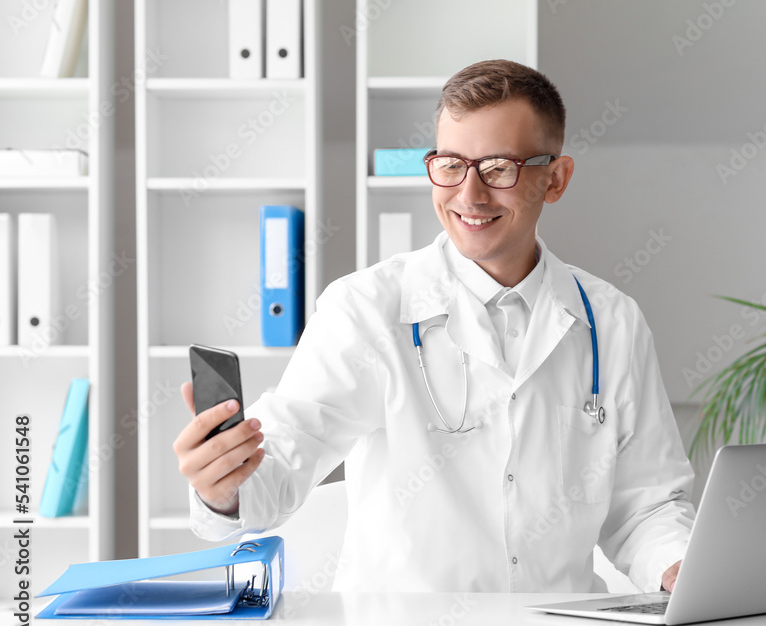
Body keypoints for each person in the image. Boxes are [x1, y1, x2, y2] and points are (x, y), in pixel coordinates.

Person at [174, 59, 695, 593]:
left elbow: (647, 506)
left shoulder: (611, 321)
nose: (469, 195)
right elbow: (286, 449)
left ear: (555, 179)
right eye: (450, 165)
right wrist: (226, 486)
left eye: (497, 168)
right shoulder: (365, 309)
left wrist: (677, 567)